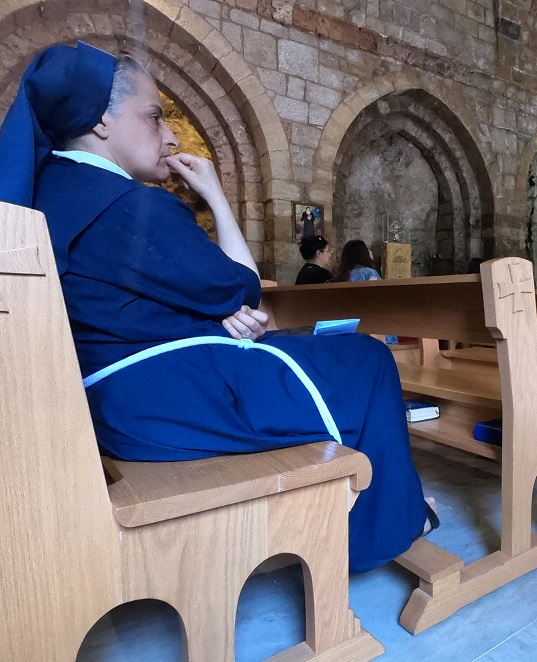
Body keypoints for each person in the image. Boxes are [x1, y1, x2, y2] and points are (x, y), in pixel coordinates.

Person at [0, 41, 432, 572]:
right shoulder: (127, 204)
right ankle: (376, 534)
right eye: (155, 117)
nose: (171, 134)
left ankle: (353, 511)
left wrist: (213, 316)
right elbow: (245, 287)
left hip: (112, 400)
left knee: (303, 351)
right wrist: (215, 196)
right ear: (101, 121)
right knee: (366, 358)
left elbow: (135, 304)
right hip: (166, 401)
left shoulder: (56, 191)